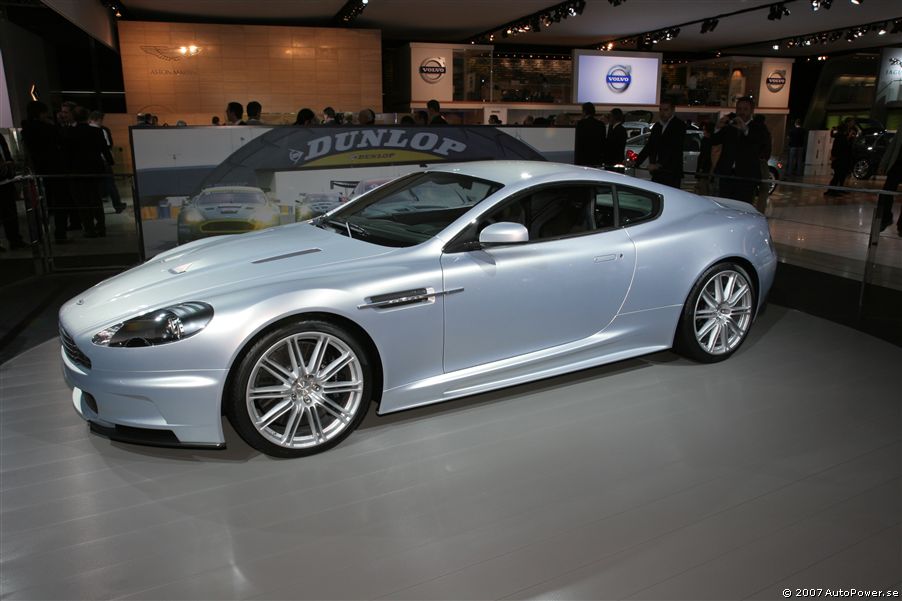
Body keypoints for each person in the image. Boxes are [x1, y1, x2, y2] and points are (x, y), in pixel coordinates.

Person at [21, 100, 69, 243]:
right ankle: (60, 233)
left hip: (37, 170)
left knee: (38, 204)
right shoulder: (48, 128)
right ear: (41, 113)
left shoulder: (26, 130)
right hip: (54, 168)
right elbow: (61, 141)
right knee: (60, 201)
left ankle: (39, 236)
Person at [711, 97, 769, 203]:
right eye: (739, 109)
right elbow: (714, 141)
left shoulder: (759, 127)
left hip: (746, 177)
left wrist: (745, 130)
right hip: (727, 174)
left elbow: (761, 146)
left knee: (743, 206)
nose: (742, 112)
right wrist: (718, 128)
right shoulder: (730, 126)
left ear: (752, 111)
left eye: (745, 109)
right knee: (725, 205)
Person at [65, 106, 108, 237]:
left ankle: (89, 229)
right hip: (95, 169)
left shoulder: (69, 132)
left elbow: (67, 153)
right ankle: (101, 227)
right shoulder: (97, 131)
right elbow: (104, 149)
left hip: (77, 170)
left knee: (82, 201)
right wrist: (109, 163)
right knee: (96, 199)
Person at [633, 99, 686, 188]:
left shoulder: (679, 125)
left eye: (666, 110)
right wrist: (636, 162)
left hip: (671, 172)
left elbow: (674, 148)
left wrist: (658, 165)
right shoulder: (657, 126)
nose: (662, 113)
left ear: (673, 110)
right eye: (660, 110)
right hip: (657, 172)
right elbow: (649, 146)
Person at [89, 110, 125, 214]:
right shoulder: (102, 130)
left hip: (92, 162)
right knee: (110, 183)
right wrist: (110, 161)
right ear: (99, 119)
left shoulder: (85, 130)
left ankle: (96, 209)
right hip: (103, 160)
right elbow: (107, 146)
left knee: (96, 186)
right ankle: (117, 205)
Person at [0, 132, 26, 250]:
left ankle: (15, 239)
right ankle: (14, 239)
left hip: (6, 180)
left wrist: (9, 164)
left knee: (10, 212)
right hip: (4, 178)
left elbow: (7, 154)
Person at [876, 130, 902, 235]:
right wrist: (883, 164)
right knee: (886, 193)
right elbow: (892, 147)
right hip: (897, 165)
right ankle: (885, 218)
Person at [826, 118, 856, 196]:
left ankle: (838, 189)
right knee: (837, 175)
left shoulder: (844, 135)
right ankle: (832, 191)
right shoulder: (840, 135)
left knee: (842, 175)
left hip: (844, 157)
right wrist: (834, 156)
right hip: (840, 158)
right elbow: (840, 145)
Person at [573, 102, 605, 167]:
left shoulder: (581, 124)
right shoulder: (601, 125)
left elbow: (579, 143)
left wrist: (577, 161)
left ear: (584, 112)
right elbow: (603, 142)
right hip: (597, 157)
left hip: (584, 158)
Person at [695, 122, 715, 196]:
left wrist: (701, 168)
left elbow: (704, 155)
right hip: (706, 168)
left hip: (706, 168)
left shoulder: (708, 141)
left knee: (705, 189)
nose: (703, 131)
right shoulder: (706, 140)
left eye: (704, 130)